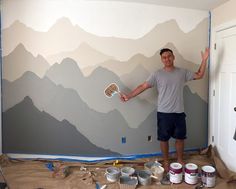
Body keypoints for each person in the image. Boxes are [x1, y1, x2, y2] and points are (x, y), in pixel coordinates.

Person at [120, 47, 210, 171]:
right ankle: (166, 161)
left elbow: (199, 75)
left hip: (179, 112)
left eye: (169, 56)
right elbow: (143, 86)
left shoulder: (182, 72)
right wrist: (129, 96)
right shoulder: (157, 74)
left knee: (180, 138)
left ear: (173, 57)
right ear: (162, 60)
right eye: (164, 57)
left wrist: (204, 59)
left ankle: (179, 160)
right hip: (163, 113)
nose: (167, 59)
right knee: (164, 139)